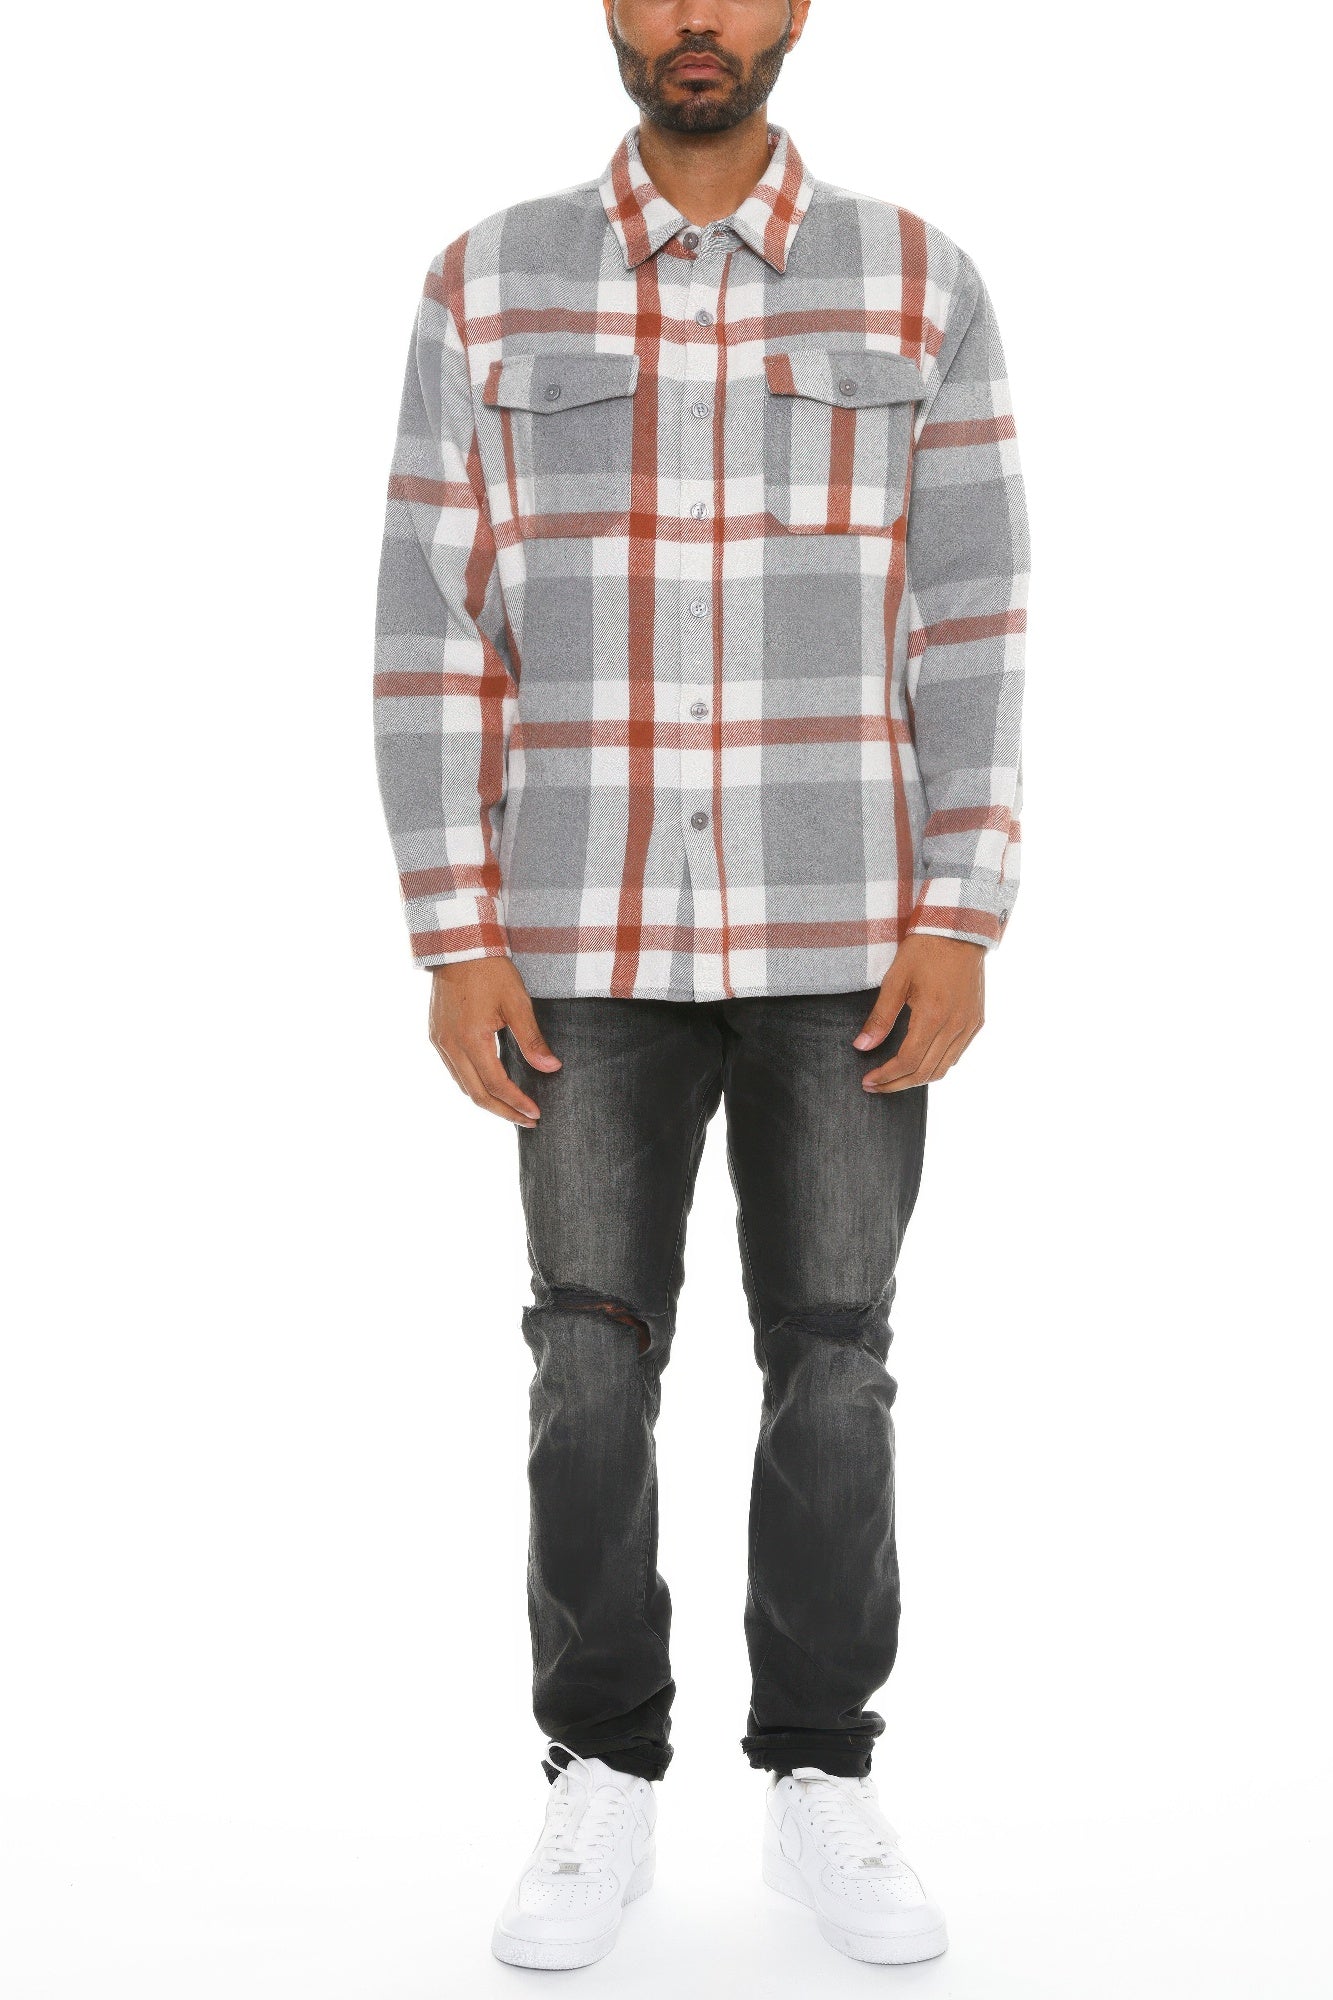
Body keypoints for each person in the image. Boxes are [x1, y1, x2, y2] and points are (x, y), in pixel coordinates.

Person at [372, 0, 1028, 1970]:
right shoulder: (487, 282)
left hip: (848, 928)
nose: (693, 21)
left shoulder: (916, 281)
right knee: (586, 1353)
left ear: (795, 7)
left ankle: (822, 1771)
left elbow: (973, 606)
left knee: (833, 1354)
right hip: (580, 931)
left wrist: (961, 909)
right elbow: (432, 616)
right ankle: (600, 1771)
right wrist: (455, 929)